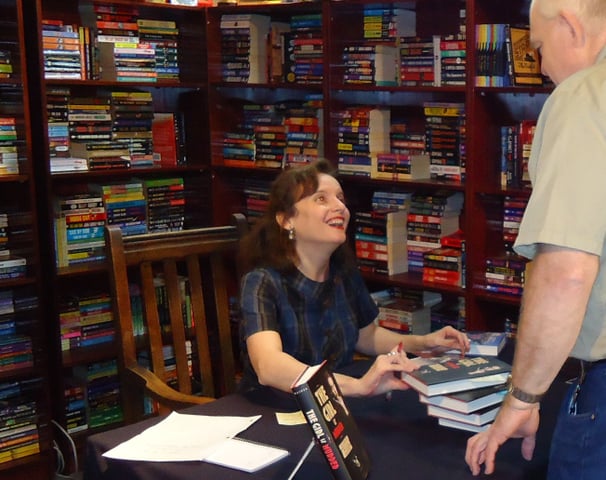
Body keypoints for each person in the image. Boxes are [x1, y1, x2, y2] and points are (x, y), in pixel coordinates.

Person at [465, 0, 606, 478]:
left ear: (571, 24)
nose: (542, 68)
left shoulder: (587, 94)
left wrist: (521, 399)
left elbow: (567, 271)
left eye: (540, 48)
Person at [238, 159, 469, 398]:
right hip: (276, 409)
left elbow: (366, 336)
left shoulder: (342, 272)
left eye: (340, 198)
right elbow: (269, 367)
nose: (339, 206)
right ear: (287, 220)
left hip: (337, 399)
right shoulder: (262, 282)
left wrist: (423, 344)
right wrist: (357, 387)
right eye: (321, 198)